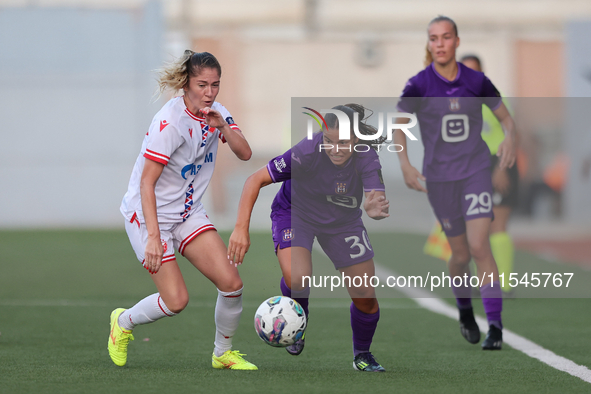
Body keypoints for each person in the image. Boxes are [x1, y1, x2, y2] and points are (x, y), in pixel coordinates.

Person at [110, 50, 257, 370]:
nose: (209, 92)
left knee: (232, 284)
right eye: (202, 84)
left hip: (187, 212)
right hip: (149, 216)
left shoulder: (217, 112)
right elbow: (146, 184)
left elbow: (245, 153)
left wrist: (224, 127)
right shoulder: (170, 123)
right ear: (186, 84)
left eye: (215, 85)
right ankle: (123, 322)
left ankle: (223, 354)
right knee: (176, 301)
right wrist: (152, 237)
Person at [228, 104, 390, 371]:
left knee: (365, 295)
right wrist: (240, 228)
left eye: (343, 142)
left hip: (343, 222)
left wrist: (373, 209)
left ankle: (362, 354)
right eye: (329, 141)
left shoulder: (367, 157)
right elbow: (254, 180)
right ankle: (298, 320)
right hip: (295, 213)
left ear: (357, 140)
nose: (334, 148)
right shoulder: (306, 151)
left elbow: (375, 198)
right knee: (298, 278)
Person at [394, 16, 517, 350]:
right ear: (429, 44)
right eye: (434, 38)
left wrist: (510, 139)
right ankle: (465, 309)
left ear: (456, 42)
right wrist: (404, 163)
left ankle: (495, 327)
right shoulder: (419, 84)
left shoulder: (477, 81)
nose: (440, 43)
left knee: (480, 247)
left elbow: (506, 119)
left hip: (475, 172)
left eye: (446, 37)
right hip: (440, 180)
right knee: (460, 255)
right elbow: (399, 125)